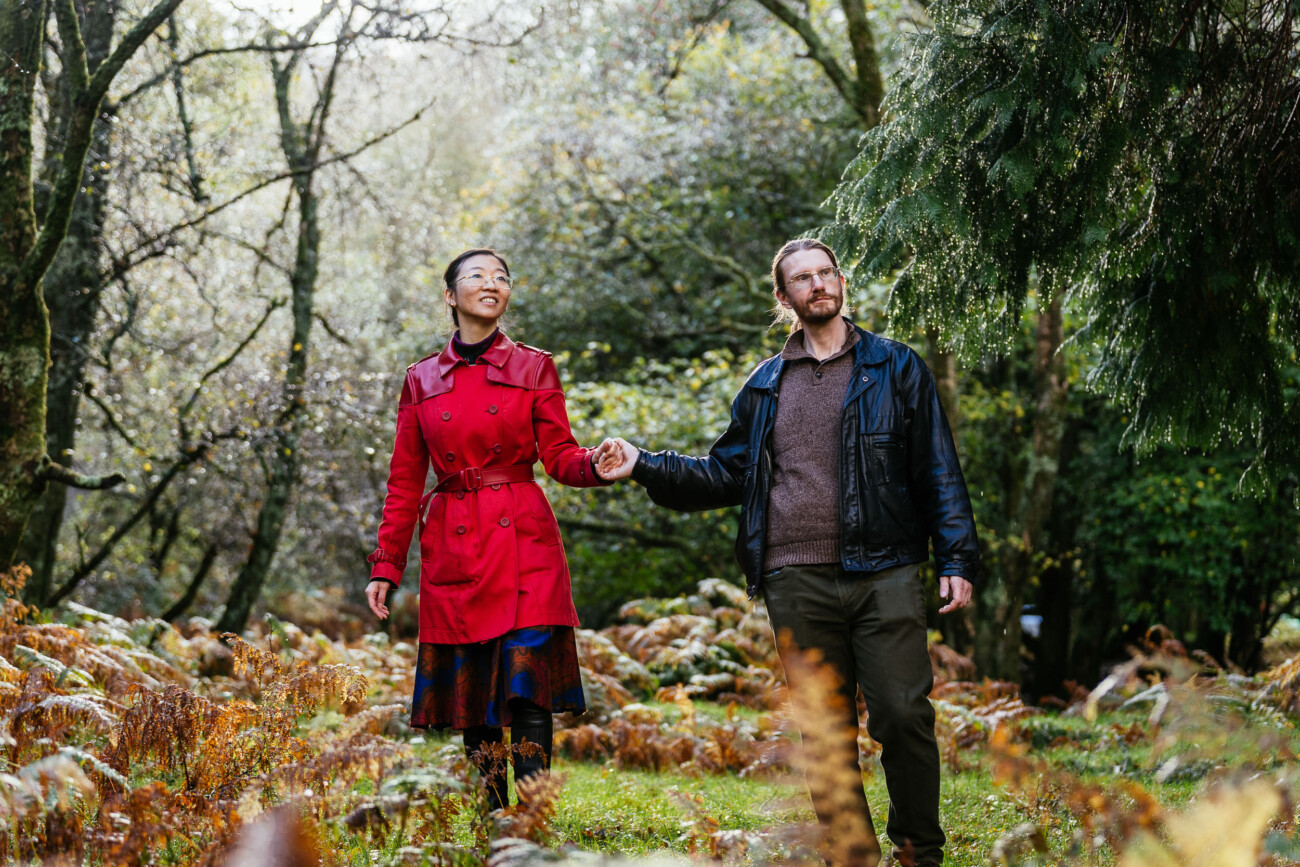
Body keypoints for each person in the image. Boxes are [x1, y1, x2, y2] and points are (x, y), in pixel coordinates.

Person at [598, 238, 980, 866]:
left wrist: (957, 558)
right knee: (825, 732)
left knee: (903, 715)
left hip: (886, 568)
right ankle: (850, 855)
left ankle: (918, 854)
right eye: (802, 278)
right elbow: (724, 474)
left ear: (841, 283)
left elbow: (936, 466)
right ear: (784, 298)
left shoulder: (895, 367)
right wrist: (644, 464)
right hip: (794, 577)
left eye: (826, 273)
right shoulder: (766, 386)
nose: (818, 284)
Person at [365, 247, 617, 811]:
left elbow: (559, 455)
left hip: (524, 539)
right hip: (454, 542)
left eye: (502, 277)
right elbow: (404, 483)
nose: (492, 284)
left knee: (527, 690)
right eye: (477, 276)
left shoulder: (534, 367)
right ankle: (492, 817)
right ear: (450, 297)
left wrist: (595, 464)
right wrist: (387, 564)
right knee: (475, 694)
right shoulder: (421, 380)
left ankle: (530, 824)